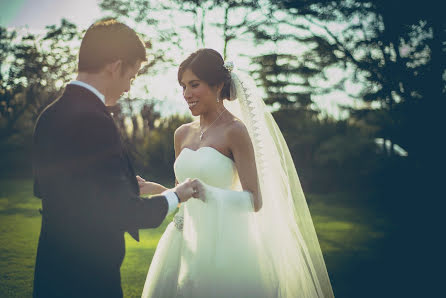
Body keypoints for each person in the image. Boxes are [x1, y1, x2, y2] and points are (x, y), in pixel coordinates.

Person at [139, 49, 335, 297]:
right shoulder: (181, 134)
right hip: (183, 243)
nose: (186, 94)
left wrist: (208, 193)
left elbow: (254, 200)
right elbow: (182, 194)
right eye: (183, 86)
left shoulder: (235, 131)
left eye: (194, 85)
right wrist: (153, 188)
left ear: (218, 84)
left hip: (223, 244)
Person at [32, 19, 201, 298]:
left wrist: (119, 185)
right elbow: (123, 212)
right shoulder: (94, 120)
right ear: (115, 66)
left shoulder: (49, 115)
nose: (128, 88)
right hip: (88, 280)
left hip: (51, 273)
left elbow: (55, 190)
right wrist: (177, 194)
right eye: (131, 77)